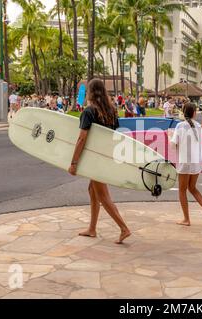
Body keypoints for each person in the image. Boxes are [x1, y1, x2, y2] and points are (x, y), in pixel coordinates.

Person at [68, 79, 131, 244]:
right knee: (93, 190)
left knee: (103, 195)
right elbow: (115, 135)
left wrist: (74, 162)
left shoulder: (89, 112)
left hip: (95, 159)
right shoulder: (111, 111)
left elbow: (82, 138)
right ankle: (92, 228)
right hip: (105, 155)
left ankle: (123, 228)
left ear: (90, 92)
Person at [169, 102, 202, 226]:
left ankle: (186, 219)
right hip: (196, 162)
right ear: (194, 113)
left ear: (184, 112)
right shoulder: (198, 126)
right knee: (192, 188)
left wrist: (170, 136)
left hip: (184, 162)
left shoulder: (180, 126)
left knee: (182, 190)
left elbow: (173, 145)